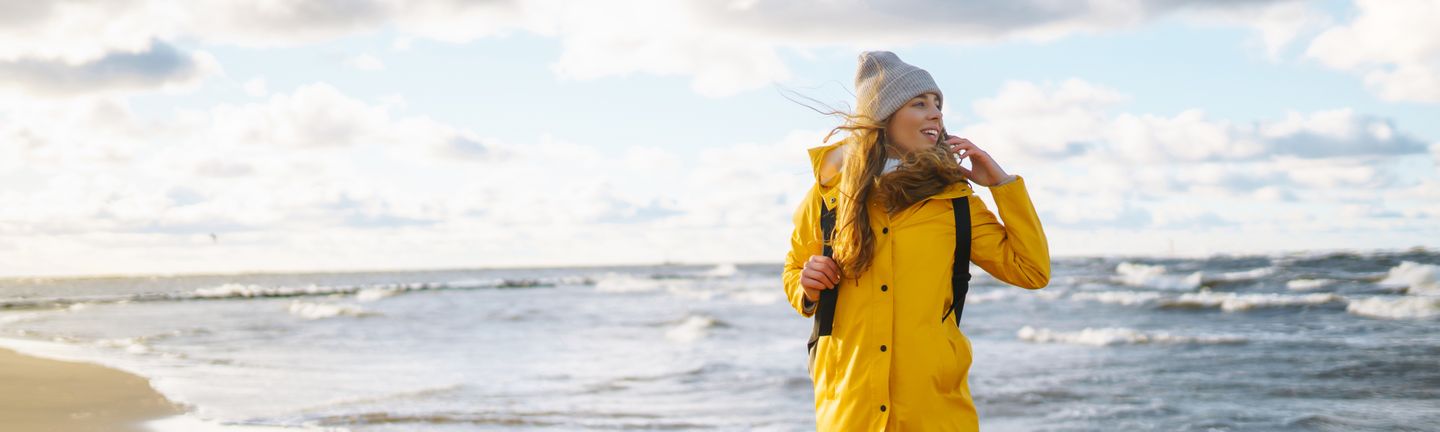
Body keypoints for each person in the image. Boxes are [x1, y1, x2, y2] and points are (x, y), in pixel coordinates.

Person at [781, 51, 1051, 431]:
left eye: (938, 104)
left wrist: (1003, 186)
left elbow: (1032, 271)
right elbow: (794, 271)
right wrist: (807, 285)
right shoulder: (828, 197)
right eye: (919, 103)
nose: (936, 113)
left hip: (935, 411)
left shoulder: (955, 202)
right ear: (884, 117)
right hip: (850, 410)